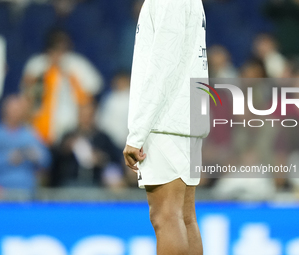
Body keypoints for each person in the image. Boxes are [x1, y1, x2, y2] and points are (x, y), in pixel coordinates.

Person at [123, 0, 208, 254]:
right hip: (186, 117)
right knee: (185, 216)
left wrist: (137, 132)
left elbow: (162, 66)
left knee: (165, 216)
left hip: (165, 121)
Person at [21, 29, 103, 144]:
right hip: (38, 128)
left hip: (70, 126)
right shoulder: (36, 64)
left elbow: (94, 88)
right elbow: (26, 94)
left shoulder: (77, 63)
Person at [50, 102, 123, 188]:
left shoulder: (102, 138)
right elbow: (53, 157)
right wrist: (65, 149)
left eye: (89, 116)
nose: (85, 120)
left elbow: (116, 157)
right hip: (69, 183)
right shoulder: (68, 136)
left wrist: (102, 159)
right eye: (83, 116)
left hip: (96, 183)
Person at [0, 95, 50, 196]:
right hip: (3, 189)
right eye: (13, 110)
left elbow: (47, 160)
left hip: (27, 189)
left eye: (18, 110)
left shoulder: (30, 134)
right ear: (5, 111)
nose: (15, 113)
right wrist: (8, 158)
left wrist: (36, 155)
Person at [97, 71, 130, 150]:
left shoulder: (132, 98)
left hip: (126, 140)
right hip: (109, 140)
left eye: (122, 81)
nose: (120, 83)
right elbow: (102, 119)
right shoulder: (109, 98)